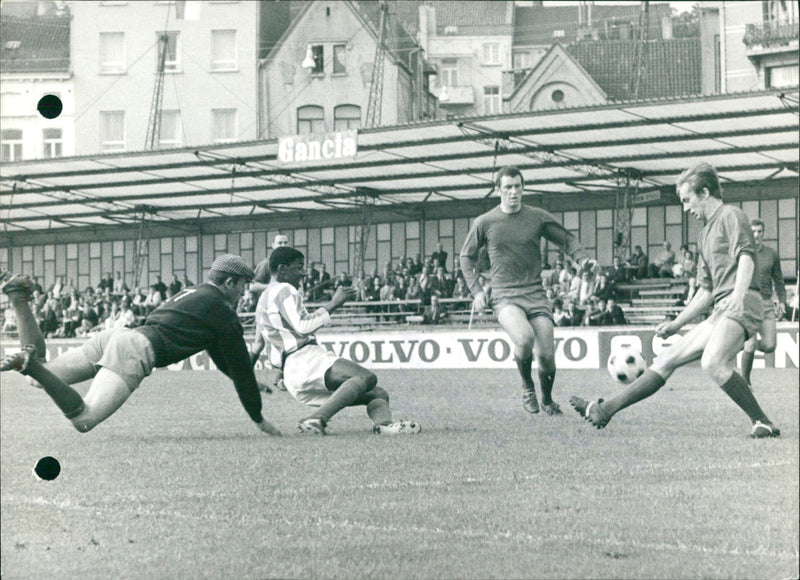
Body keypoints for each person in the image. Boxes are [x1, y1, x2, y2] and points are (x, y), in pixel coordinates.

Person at [569, 162, 780, 438]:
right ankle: (604, 409)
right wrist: (676, 323)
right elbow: (706, 291)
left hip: (743, 302)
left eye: (687, 199)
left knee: (713, 363)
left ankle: (761, 421)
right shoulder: (704, 234)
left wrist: (738, 298)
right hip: (721, 308)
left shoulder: (731, 215)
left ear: (704, 192)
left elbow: (746, 258)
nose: (685, 207)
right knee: (666, 358)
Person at [0, 256, 281, 437]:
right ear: (229, 282)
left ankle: (18, 298)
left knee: (44, 379)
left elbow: (220, 355)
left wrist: (248, 381)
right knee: (84, 419)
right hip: (136, 348)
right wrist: (258, 417)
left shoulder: (195, 292)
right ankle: (30, 364)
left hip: (118, 336)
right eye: (243, 286)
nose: (245, 294)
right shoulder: (223, 310)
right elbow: (240, 365)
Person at [460, 165, 594, 416]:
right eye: (508, 187)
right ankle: (526, 386)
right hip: (504, 296)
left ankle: (547, 400)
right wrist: (477, 291)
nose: (514, 192)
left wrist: (582, 259)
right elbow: (466, 257)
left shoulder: (537, 216)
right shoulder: (485, 222)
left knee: (546, 357)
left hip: (535, 294)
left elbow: (566, 239)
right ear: (497, 189)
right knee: (523, 338)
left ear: (523, 188)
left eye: (518, 186)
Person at [255, 246, 420, 435]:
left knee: (378, 393)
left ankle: (384, 426)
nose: (303, 274)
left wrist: (280, 374)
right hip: (303, 359)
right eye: (299, 267)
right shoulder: (285, 289)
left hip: (292, 373)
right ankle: (317, 419)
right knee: (366, 377)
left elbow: (271, 338)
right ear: (282, 269)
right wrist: (334, 304)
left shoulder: (264, 298)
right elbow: (302, 326)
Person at [740, 218, 787, 386]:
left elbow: (779, 280)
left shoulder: (771, 254)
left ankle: (737, 345)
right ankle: (746, 382)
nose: (756, 234)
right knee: (751, 343)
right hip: (749, 303)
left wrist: (782, 302)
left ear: (763, 233)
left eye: (759, 231)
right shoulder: (743, 253)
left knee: (769, 346)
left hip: (767, 304)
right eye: (753, 231)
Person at [249, 233, 291, 392]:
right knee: (259, 343)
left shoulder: (290, 263)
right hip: (266, 308)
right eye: (280, 242)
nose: (283, 244)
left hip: (284, 308)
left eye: (285, 242)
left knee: (287, 341)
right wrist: (273, 288)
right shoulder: (266, 263)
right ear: (273, 245)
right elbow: (253, 286)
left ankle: (280, 379)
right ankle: (245, 377)